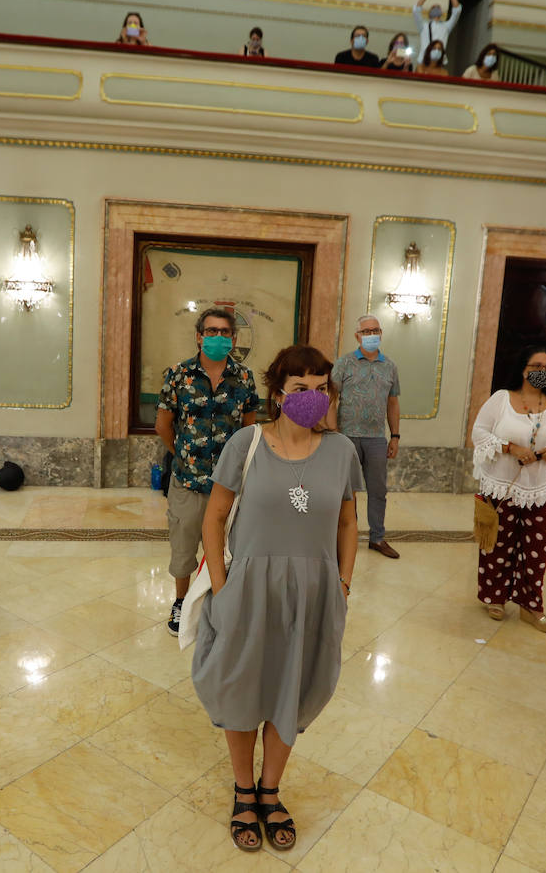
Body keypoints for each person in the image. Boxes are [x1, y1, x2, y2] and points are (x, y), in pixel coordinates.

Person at [193, 344, 363, 852]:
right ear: (277, 394)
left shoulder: (342, 451)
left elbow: (350, 522)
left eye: (321, 388)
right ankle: (244, 788)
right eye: (299, 389)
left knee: (293, 687)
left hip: (313, 592)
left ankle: (271, 790)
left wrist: (343, 584)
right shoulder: (245, 444)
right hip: (249, 590)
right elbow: (215, 517)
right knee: (242, 689)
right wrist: (222, 590)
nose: (312, 398)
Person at [156, 308, 259, 636]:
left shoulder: (244, 378)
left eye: (224, 333)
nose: (217, 337)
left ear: (234, 339)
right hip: (187, 481)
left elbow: (249, 426)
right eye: (211, 331)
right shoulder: (178, 375)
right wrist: (183, 455)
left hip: (230, 485)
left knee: (229, 549)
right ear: (199, 336)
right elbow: (163, 425)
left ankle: (221, 600)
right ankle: (181, 600)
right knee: (183, 548)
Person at [470, 345, 546, 632]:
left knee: (537, 549)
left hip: (543, 488)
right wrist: (510, 447)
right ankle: (495, 597)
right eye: (536, 367)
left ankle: (530, 605)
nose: (542, 373)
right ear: (523, 369)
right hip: (502, 486)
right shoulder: (502, 399)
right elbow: (479, 432)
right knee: (498, 544)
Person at [329, 315, 401, 558]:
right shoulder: (344, 363)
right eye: (367, 331)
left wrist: (395, 436)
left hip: (376, 438)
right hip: (346, 436)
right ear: (357, 336)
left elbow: (393, 402)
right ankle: (343, 534)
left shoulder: (389, 366)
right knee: (346, 489)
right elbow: (331, 398)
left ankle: (377, 538)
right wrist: (332, 432)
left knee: (378, 489)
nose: (372, 334)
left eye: (376, 330)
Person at [414, 0, 461, 64]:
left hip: (440, 61)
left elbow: (457, 11)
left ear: (441, 13)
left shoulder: (446, 26)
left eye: (438, 8)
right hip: (424, 61)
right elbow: (416, 10)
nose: (436, 9)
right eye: (433, 8)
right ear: (429, 13)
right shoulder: (423, 26)